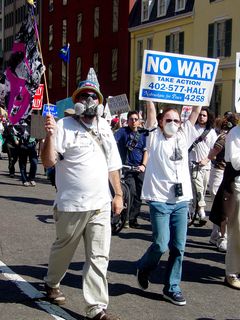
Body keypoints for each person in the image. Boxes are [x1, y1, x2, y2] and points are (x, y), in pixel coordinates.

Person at [41, 79, 123, 320]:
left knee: (99, 257)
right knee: (63, 250)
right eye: (84, 96)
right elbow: (48, 162)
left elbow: (113, 165)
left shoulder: (105, 126)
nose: (89, 101)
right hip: (71, 205)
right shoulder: (63, 125)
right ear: (75, 101)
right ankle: (51, 282)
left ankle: (96, 308)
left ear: (100, 102)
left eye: (93, 97)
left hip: (101, 204)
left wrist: (117, 194)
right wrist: (48, 137)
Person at [137, 101, 202, 306]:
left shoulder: (184, 135)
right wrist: (150, 98)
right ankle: (145, 268)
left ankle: (172, 288)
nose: (173, 123)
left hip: (181, 201)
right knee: (161, 243)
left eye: (176, 120)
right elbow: (150, 112)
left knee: (178, 247)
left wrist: (199, 95)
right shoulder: (153, 137)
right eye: (169, 120)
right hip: (159, 199)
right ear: (161, 122)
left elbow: (196, 110)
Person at [208, 112, 239, 252]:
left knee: (222, 207)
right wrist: (210, 160)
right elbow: (212, 154)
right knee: (224, 209)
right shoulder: (225, 137)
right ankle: (221, 237)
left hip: (227, 174)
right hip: (222, 173)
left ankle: (215, 235)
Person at [114, 110, 148, 228]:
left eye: (136, 119)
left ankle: (133, 219)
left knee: (139, 195)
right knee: (131, 193)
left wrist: (143, 165)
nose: (133, 121)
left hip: (139, 169)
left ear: (139, 121)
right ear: (127, 121)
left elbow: (146, 151)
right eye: (131, 119)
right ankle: (125, 217)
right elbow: (113, 141)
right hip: (127, 168)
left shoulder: (143, 134)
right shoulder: (122, 132)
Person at [189, 107, 217, 222]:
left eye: (204, 115)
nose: (201, 117)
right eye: (200, 115)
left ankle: (194, 207)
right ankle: (201, 208)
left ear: (208, 117)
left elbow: (214, 150)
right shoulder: (192, 129)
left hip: (206, 166)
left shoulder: (211, 132)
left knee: (202, 189)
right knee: (198, 187)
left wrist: (206, 159)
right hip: (193, 164)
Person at [223, 124, 240, 289]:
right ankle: (232, 272)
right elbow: (236, 162)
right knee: (237, 229)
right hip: (238, 184)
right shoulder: (235, 132)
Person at [18, 120, 38, 186]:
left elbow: (38, 134)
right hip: (23, 146)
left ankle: (31, 178)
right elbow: (15, 132)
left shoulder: (34, 121)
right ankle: (24, 180)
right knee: (23, 164)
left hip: (32, 145)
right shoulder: (19, 120)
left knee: (34, 162)